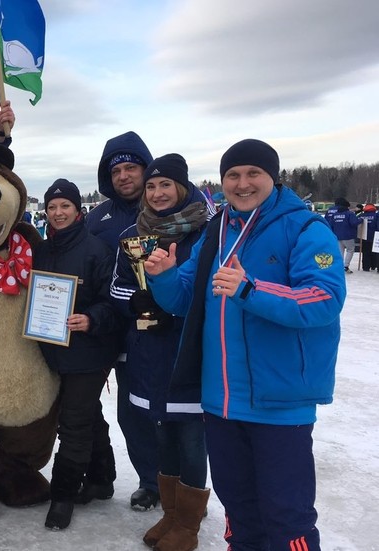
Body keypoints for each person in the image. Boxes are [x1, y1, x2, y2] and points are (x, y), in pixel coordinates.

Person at [145, 139, 345, 550]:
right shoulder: (217, 230)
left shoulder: (305, 228)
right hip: (221, 402)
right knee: (239, 511)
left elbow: (324, 298)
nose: (242, 183)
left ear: (274, 177)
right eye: (232, 175)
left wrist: (252, 290)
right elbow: (185, 297)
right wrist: (164, 276)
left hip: (278, 403)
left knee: (287, 516)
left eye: (253, 173)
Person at [111, 154, 211, 550]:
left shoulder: (203, 233)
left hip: (187, 349)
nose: (157, 193)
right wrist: (137, 303)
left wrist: (175, 311)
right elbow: (118, 286)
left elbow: (203, 289)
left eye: (165, 185)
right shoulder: (135, 234)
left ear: (181, 188)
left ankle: (188, 524)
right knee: (163, 433)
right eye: (151, 186)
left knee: (190, 437)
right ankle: (171, 516)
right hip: (150, 351)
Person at [33, 179, 123, 530]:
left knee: (73, 422)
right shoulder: (41, 250)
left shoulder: (97, 250)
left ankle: (63, 494)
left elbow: (115, 302)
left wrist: (91, 319)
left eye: (65, 207)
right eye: (52, 207)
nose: (57, 213)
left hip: (89, 351)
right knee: (87, 414)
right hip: (53, 349)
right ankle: (102, 477)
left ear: (77, 210)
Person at [85, 131, 160, 511]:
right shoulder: (97, 218)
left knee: (151, 412)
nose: (124, 176)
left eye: (132, 167)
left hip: (153, 332)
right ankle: (115, 476)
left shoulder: (169, 208)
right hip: (103, 330)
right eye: (116, 171)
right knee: (105, 411)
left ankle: (165, 481)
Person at [324, 197, 360, 273]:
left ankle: (339, 266)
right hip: (348, 236)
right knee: (350, 250)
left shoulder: (332, 212)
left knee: (340, 251)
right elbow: (354, 223)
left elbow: (328, 223)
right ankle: (345, 266)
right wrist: (361, 220)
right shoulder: (349, 214)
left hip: (336, 235)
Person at [359, 204, 378, 271]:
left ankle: (366, 267)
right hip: (375, 237)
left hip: (364, 237)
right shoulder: (376, 215)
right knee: (375, 252)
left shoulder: (362, 216)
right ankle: (373, 265)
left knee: (366, 252)